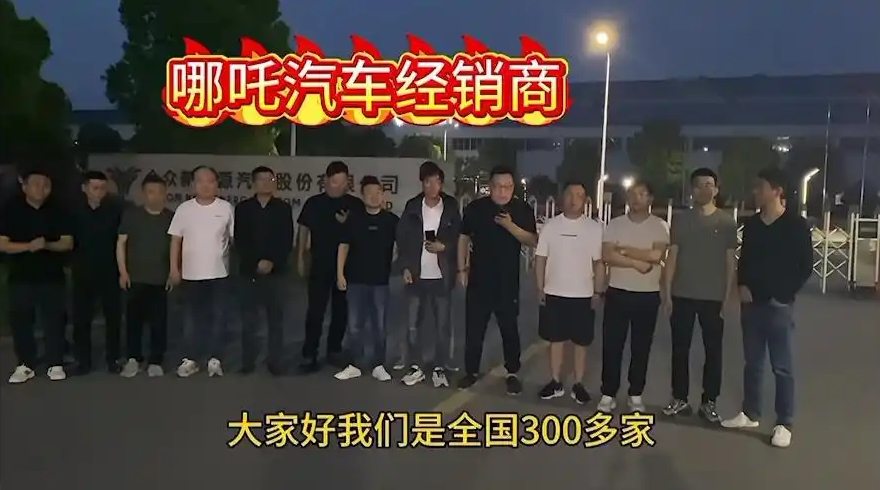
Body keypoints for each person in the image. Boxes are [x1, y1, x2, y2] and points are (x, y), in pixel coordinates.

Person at [721, 167, 812, 448]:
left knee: (782, 367)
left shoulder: (796, 225)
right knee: (753, 363)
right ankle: (751, 413)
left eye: (760, 187)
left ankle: (784, 422)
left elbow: (805, 266)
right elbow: (745, 259)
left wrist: (784, 293)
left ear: (776, 191)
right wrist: (742, 285)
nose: (755, 192)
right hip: (752, 303)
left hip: (779, 305)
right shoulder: (752, 225)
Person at [662, 168, 739, 422]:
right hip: (682, 293)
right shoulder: (681, 220)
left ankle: (709, 401)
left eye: (709, 185)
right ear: (692, 190)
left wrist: (727, 297)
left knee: (713, 351)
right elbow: (672, 256)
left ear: (716, 190)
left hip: (713, 297)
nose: (704, 189)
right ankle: (680, 398)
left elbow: (730, 262)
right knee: (680, 349)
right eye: (699, 185)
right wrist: (667, 293)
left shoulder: (726, 223)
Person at [456, 166, 537, 394]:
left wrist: (510, 225)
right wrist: (461, 269)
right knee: (474, 330)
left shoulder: (522, 209)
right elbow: (463, 238)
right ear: (490, 186)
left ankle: (512, 372)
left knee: (509, 329)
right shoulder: (475, 209)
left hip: (507, 282)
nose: (503, 191)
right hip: (479, 281)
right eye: (498, 186)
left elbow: (532, 240)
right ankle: (471, 371)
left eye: (508, 186)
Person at [598, 180, 669, 413]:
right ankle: (608, 393)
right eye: (632, 193)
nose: (636, 198)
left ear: (650, 198)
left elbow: (656, 255)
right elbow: (607, 255)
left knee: (641, 347)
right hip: (617, 292)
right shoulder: (615, 224)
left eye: (642, 194)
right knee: (612, 345)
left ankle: (635, 393)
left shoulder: (659, 226)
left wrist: (625, 250)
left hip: (647, 295)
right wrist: (637, 263)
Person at [535, 182, 605, 404]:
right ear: (562, 197)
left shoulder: (594, 228)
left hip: (583, 294)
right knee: (555, 340)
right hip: (554, 292)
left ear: (586, 200)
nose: (575, 200)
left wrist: (598, 292)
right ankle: (555, 381)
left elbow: (599, 263)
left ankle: (578, 384)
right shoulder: (551, 226)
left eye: (580, 195)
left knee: (580, 343)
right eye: (570, 194)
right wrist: (540, 287)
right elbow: (540, 259)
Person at [1, 169, 73, 383]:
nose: (41, 188)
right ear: (25, 187)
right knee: (21, 320)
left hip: (52, 276)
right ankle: (26, 364)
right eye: (36, 184)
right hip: (21, 276)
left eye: (46, 185)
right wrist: (28, 246)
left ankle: (55, 362)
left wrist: (47, 245)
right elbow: (3, 244)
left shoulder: (59, 210)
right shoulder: (10, 210)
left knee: (54, 320)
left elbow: (67, 242)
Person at [396, 161, 461, 388]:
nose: (433, 187)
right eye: (428, 182)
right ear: (422, 183)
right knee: (413, 323)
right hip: (417, 275)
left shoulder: (450, 206)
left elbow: (459, 236)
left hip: (441, 276)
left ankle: (440, 367)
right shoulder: (413, 206)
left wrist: (445, 247)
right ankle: (416, 366)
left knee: (442, 325)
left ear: (442, 184)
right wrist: (405, 266)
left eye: (437, 182)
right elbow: (402, 238)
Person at [296, 161, 365, 373]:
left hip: (346, 267)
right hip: (320, 263)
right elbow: (303, 231)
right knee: (315, 310)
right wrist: (300, 257)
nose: (339, 187)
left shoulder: (355, 204)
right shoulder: (314, 203)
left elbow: (360, 233)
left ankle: (334, 349)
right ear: (326, 180)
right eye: (335, 182)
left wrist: (348, 222)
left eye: (343, 183)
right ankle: (310, 353)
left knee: (341, 310)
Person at [168, 166, 235, 378]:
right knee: (191, 319)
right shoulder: (184, 209)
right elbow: (175, 240)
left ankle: (215, 359)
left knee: (218, 318)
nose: (205, 185)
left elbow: (233, 240)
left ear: (217, 184)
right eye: (200, 181)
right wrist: (174, 268)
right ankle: (191, 359)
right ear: (192, 184)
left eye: (210, 181)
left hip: (219, 274)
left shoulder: (226, 208)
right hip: (190, 275)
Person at [334, 176, 399, 382]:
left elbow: (401, 246)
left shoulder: (391, 221)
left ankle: (378, 365)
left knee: (379, 325)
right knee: (354, 325)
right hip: (355, 281)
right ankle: (354, 364)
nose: (374, 196)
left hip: (380, 281)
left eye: (378, 192)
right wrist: (340, 273)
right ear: (362, 196)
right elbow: (343, 246)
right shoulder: (354, 219)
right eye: (369, 193)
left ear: (383, 195)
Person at [235, 166, 294, 376]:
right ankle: (247, 362)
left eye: (270, 179)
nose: (266, 182)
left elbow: (286, 239)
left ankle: (275, 362)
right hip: (249, 271)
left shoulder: (283, 208)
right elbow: (240, 239)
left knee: (275, 320)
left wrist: (272, 261)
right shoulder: (243, 208)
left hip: (276, 272)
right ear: (253, 183)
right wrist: (256, 262)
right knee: (249, 320)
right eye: (261, 179)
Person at [117, 173, 174, 378]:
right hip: (135, 278)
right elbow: (121, 243)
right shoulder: (132, 215)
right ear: (143, 194)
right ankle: (134, 358)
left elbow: (177, 247)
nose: (155, 196)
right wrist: (123, 272)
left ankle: (156, 360)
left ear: (165, 194)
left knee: (159, 322)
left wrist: (173, 271)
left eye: (160, 192)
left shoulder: (171, 217)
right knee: (134, 321)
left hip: (160, 279)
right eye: (151, 192)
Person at [71, 171, 124, 375]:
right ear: (84, 188)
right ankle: (83, 361)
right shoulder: (74, 211)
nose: (99, 192)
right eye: (95, 188)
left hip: (110, 271)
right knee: (81, 319)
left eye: (103, 188)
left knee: (113, 318)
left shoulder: (115, 210)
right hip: (82, 272)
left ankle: (113, 359)